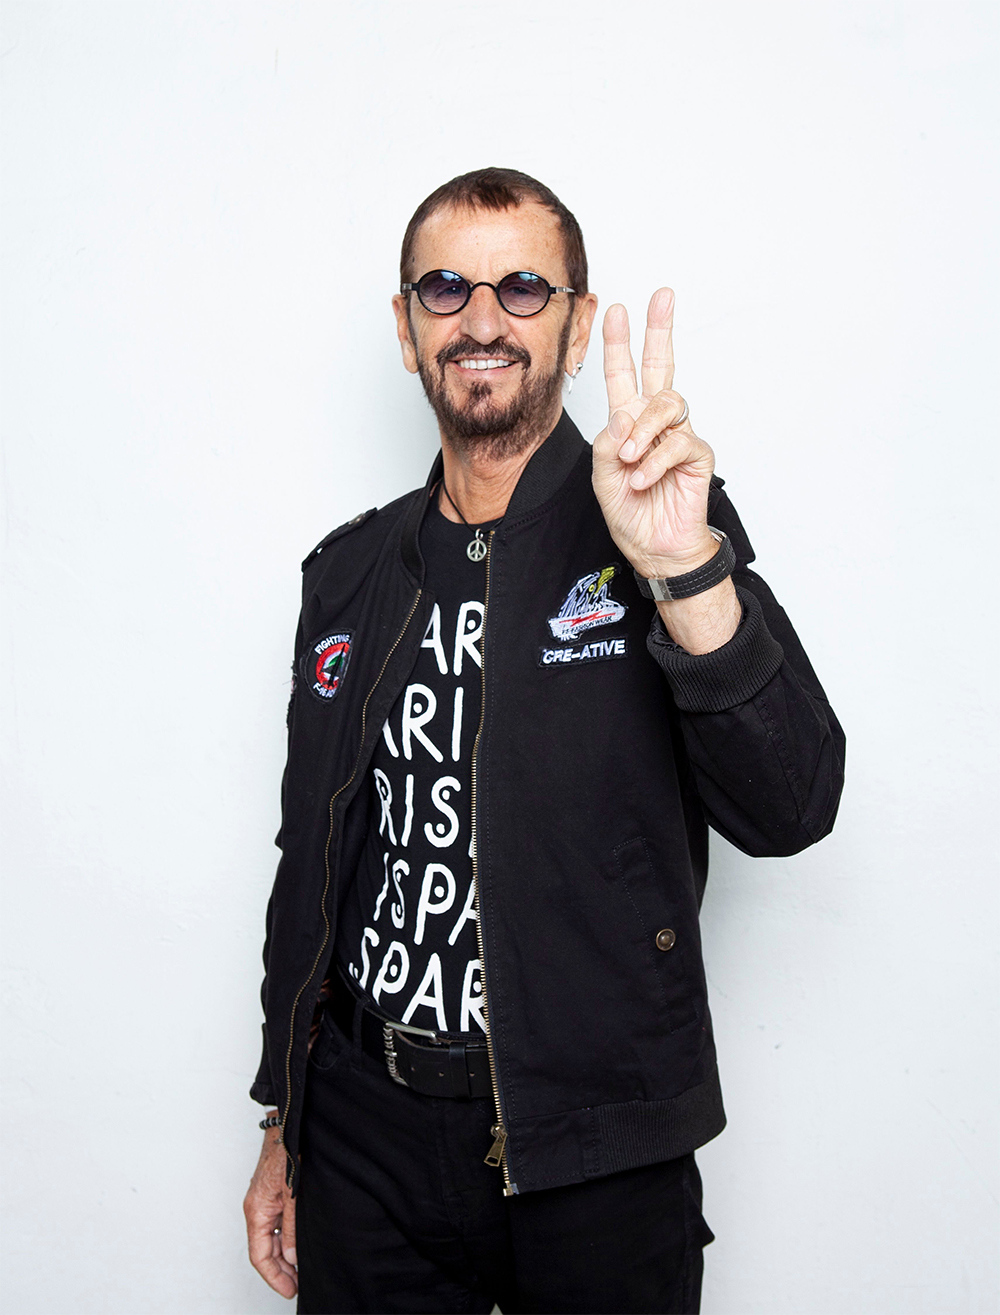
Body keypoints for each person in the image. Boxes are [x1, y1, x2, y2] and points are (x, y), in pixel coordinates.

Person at [243, 167, 845, 1314]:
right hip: (363, 1135)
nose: (481, 319)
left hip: (593, 1142)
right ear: (406, 327)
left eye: (523, 287)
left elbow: (792, 802)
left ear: (574, 326)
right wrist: (287, 1116)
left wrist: (682, 570)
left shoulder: (663, 531)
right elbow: (310, 868)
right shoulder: (349, 574)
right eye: (445, 288)